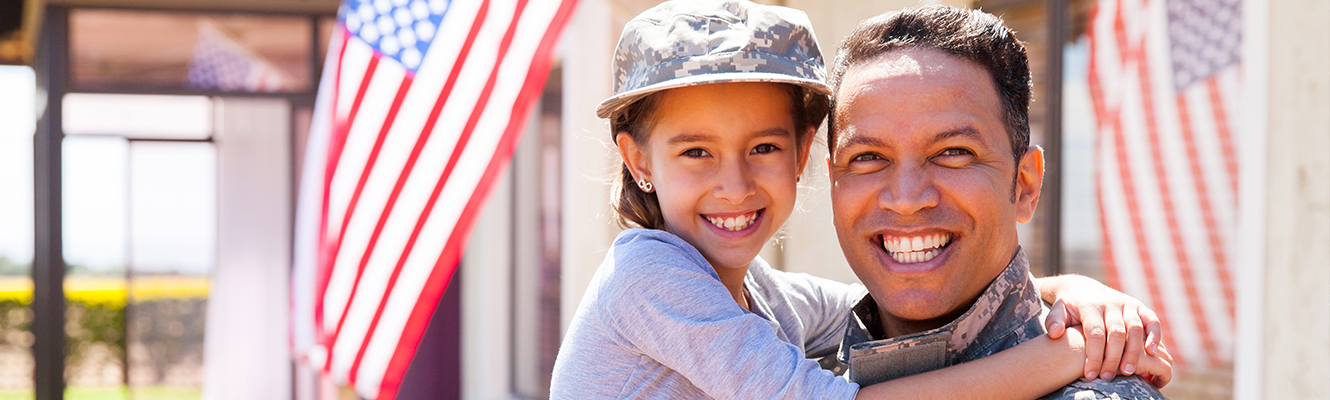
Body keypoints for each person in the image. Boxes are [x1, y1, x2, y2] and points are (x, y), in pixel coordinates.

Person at [551, 1, 1170, 398]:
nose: (734, 184)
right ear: (638, 161)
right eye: (695, 153)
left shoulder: (761, 297)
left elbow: (886, 297)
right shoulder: (648, 277)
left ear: (799, 158)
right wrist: (1067, 353)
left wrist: (1075, 294)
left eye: (763, 148)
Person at [824, 5, 1168, 399]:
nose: (906, 199)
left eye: (953, 152)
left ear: (1024, 185)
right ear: (834, 182)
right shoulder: (792, 365)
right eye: (868, 157)